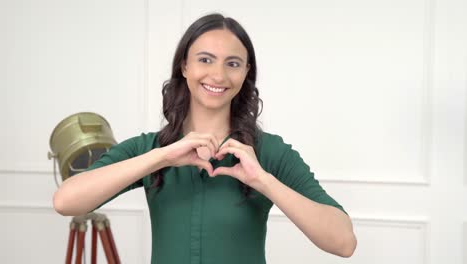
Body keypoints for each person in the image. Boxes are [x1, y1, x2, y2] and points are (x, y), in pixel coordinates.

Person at [53, 13, 357, 263]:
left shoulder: (269, 152)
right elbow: (66, 201)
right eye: (205, 60)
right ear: (184, 66)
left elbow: (344, 242)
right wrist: (163, 156)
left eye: (233, 63)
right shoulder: (149, 149)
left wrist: (264, 181)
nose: (219, 76)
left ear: (246, 72)